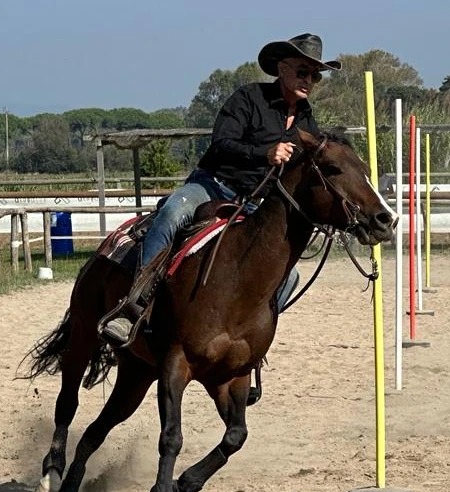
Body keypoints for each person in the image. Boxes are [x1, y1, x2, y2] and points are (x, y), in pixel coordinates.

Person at [101, 32, 342, 346]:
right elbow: (222, 144)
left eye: (315, 76)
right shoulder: (248, 99)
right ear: (281, 68)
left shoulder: (308, 124)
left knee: (289, 277)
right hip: (213, 186)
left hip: (257, 204)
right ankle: (135, 306)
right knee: (173, 212)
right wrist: (264, 153)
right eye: (302, 71)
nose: (309, 80)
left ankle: (250, 344)